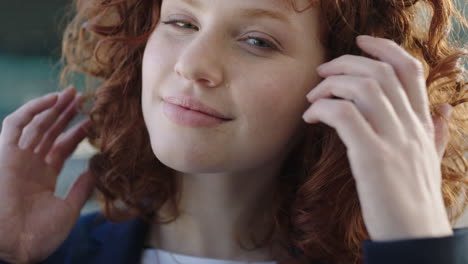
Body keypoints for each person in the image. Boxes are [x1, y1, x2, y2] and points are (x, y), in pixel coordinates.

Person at [0, 0, 467, 263]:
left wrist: (413, 235)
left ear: (345, 80)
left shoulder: (408, 251)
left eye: (257, 41)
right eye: (181, 22)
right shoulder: (46, 254)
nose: (192, 65)